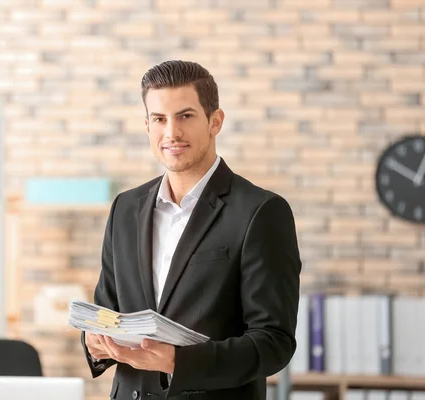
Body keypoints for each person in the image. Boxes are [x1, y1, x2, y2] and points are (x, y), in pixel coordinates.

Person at [80, 60, 302, 400]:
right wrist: (95, 342)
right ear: (147, 125)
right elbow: (108, 311)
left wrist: (177, 361)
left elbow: (274, 341)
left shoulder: (261, 212)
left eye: (185, 116)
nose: (171, 133)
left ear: (215, 121)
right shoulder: (125, 208)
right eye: (159, 119)